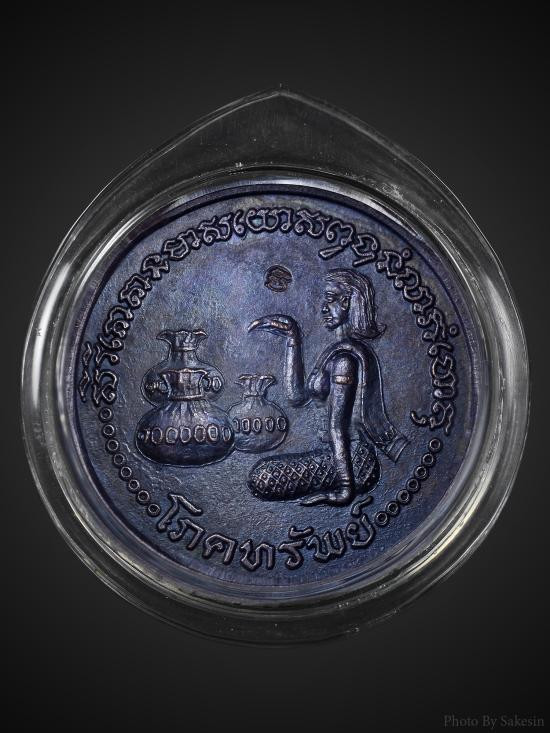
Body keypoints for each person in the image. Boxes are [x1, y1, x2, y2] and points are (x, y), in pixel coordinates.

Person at [248, 268, 407, 506]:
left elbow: (337, 426)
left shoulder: (345, 360)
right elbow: (297, 397)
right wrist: (292, 337)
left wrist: (345, 488)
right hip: (333, 454)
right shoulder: (334, 353)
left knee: (264, 478)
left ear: (347, 302)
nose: (323, 307)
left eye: (331, 299)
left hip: (352, 461)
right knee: (262, 476)